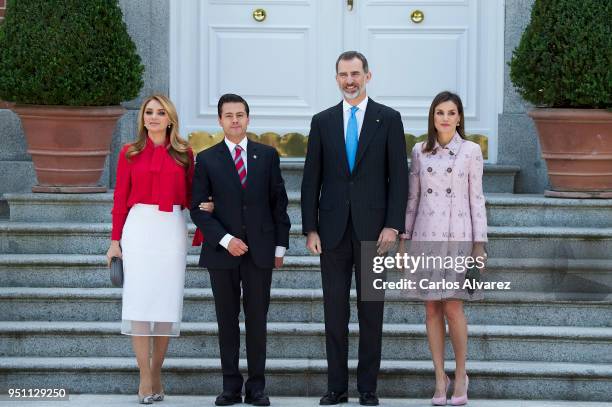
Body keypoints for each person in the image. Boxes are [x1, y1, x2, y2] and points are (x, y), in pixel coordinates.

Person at [301, 51, 408, 406]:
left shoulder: (388, 119)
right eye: (344, 74)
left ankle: (367, 389)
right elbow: (310, 180)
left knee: (371, 313)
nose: (350, 80)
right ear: (336, 79)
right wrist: (310, 229)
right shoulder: (322, 121)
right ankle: (336, 388)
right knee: (334, 312)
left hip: (375, 233)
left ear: (368, 75)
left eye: (356, 73)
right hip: (331, 232)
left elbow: (399, 178)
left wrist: (393, 225)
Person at [190, 93, 291, 407]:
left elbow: (279, 204)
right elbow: (197, 209)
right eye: (228, 115)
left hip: (260, 251)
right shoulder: (206, 159)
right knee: (227, 320)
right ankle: (231, 386)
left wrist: (280, 248)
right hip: (222, 254)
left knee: (258, 320)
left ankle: (257, 388)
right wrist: (225, 240)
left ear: (248, 118)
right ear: (219, 120)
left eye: (240, 114)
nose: (235, 120)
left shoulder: (267, 155)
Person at [401, 91, 488, 406]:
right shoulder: (419, 152)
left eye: (452, 112)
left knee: (453, 306)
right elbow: (412, 198)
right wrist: (403, 240)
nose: (446, 118)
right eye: (440, 112)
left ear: (460, 117)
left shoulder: (471, 151)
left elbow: (476, 198)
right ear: (432, 117)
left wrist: (479, 245)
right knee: (431, 307)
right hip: (426, 235)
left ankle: (461, 372)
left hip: (459, 235)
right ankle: (440, 376)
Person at [106, 94, 194, 404]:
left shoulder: (185, 153)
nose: (153, 117)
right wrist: (115, 242)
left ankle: (157, 371)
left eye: (159, 112)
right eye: (148, 112)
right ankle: (145, 377)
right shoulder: (129, 152)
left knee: (166, 305)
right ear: (143, 117)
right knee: (140, 304)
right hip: (138, 229)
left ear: (170, 119)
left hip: (171, 229)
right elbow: (120, 200)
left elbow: (193, 198)